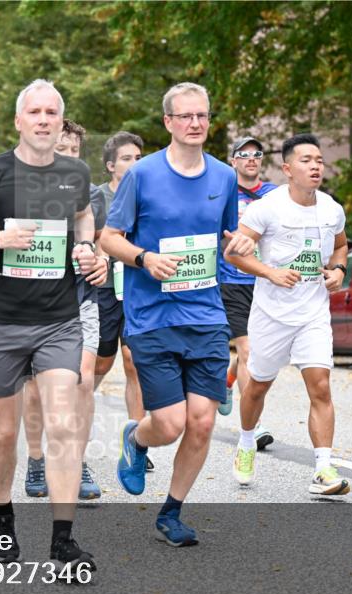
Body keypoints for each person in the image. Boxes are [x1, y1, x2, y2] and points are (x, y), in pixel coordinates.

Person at [101, 82, 253, 547]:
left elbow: (226, 236)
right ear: (168, 122)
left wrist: (243, 242)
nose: (194, 124)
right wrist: (145, 258)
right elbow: (110, 238)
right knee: (168, 423)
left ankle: (172, 512)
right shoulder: (142, 175)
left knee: (203, 420)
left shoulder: (224, 177)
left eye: (202, 116)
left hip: (205, 315)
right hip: (152, 316)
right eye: (185, 116)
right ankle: (137, 439)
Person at [0, 79, 100, 575]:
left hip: (58, 321)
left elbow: (85, 216)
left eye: (52, 113)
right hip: (1, 320)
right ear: (19, 121)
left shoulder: (75, 172)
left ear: (60, 122)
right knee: (4, 432)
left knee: (64, 425)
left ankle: (63, 541)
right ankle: (3, 518)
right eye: (35, 112)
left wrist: (86, 246)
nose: (44, 120)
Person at [227, 133, 351, 494]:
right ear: (286, 169)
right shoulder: (267, 207)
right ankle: (247, 440)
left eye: (319, 160)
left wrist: (338, 271)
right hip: (271, 315)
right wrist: (270, 272)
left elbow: (341, 246)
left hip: (313, 314)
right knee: (258, 387)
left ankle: (323, 470)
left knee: (321, 386)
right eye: (306, 160)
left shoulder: (331, 208)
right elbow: (234, 254)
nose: (315, 166)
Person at [21, 119, 108, 500]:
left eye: (74, 151)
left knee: (84, 381)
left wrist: (102, 262)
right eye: (62, 149)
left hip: (81, 298)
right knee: (37, 390)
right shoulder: (21, 189)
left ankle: (77, 458)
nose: (68, 157)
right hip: (32, 304)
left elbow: (103, 245)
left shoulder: (92, 197)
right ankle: (37, 459)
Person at [92, 132, 151, 469]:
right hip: (102, 288)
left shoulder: (148, 196)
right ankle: (74, 415)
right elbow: (93, 236)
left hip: (135, 286)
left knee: (133, 361)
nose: (134, 164)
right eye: (127, 158)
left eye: (139, 158)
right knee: (100, 363)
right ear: (111, 165)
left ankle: (136, 442)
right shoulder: (98, 197)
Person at [218, 136, 280, 450]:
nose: (251, 159)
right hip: (231, 280)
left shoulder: (274, 195)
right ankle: (253, 426)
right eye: (244, 154)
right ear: (233, 161)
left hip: (264, 281)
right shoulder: (221, 193)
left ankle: (228, 380)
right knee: (248, 350)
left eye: (257, 154)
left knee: (259, 352)